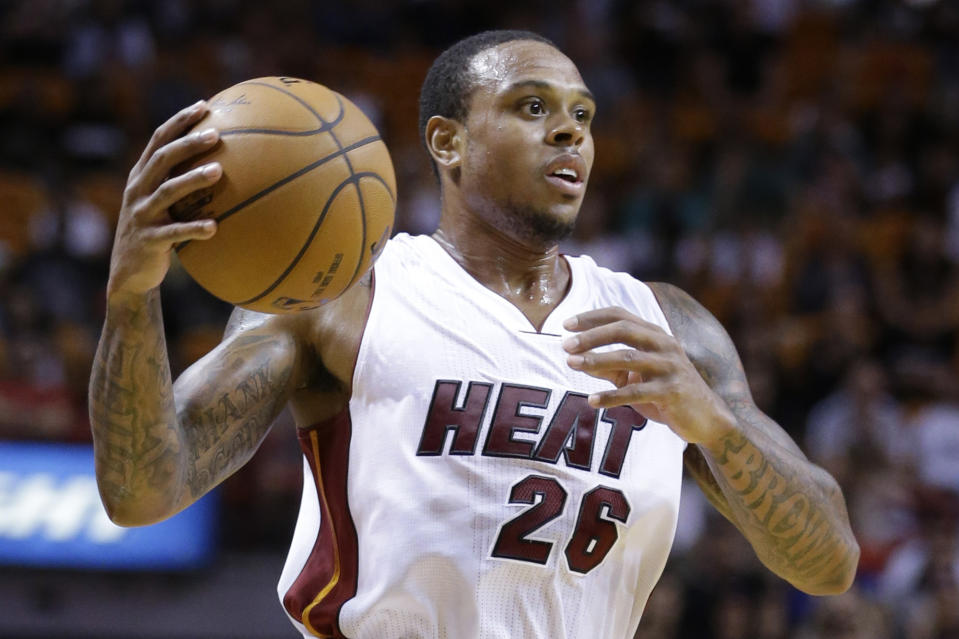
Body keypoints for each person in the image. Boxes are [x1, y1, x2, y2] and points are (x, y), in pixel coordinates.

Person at [88, 30, 859, 639]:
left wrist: (713, 425)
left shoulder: (667, 326)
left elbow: (828, 562)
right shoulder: (340, 296)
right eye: (532, 106)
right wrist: (131, 300)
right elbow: (143, 490)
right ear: (447, 142)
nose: (569, 132)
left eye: (583, 115)